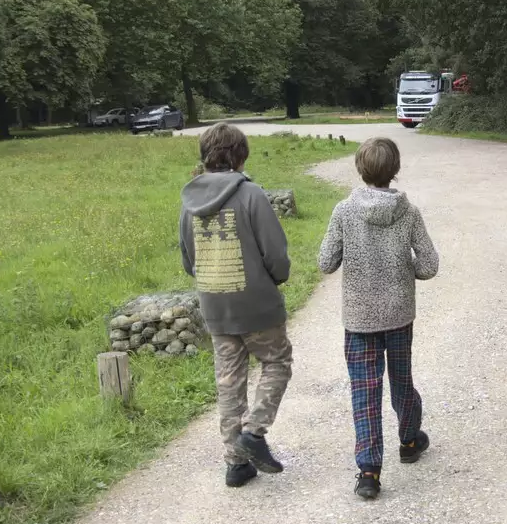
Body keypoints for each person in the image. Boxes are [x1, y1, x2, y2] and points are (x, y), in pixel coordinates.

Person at [318, 137, 440, 500]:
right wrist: (407, 271)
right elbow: (430, 264)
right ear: (395, 170)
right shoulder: (410, 212)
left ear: (360, 168)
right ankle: (409, 440)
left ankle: (369, 470)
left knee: (365, 390)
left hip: (359, 319)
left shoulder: (344, 211)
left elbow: (326, 262)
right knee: (401, 379)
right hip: (399, 313)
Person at [180, 123, 293, 488]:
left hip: (215, 303)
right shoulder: (251, 195)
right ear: (240, 154)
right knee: (276, 363)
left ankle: (235, 464)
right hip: (256, 302)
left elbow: (188, 259)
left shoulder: (188, 203)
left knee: (229, 382)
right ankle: (254, 432)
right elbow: (274, 253)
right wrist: (277, 277)